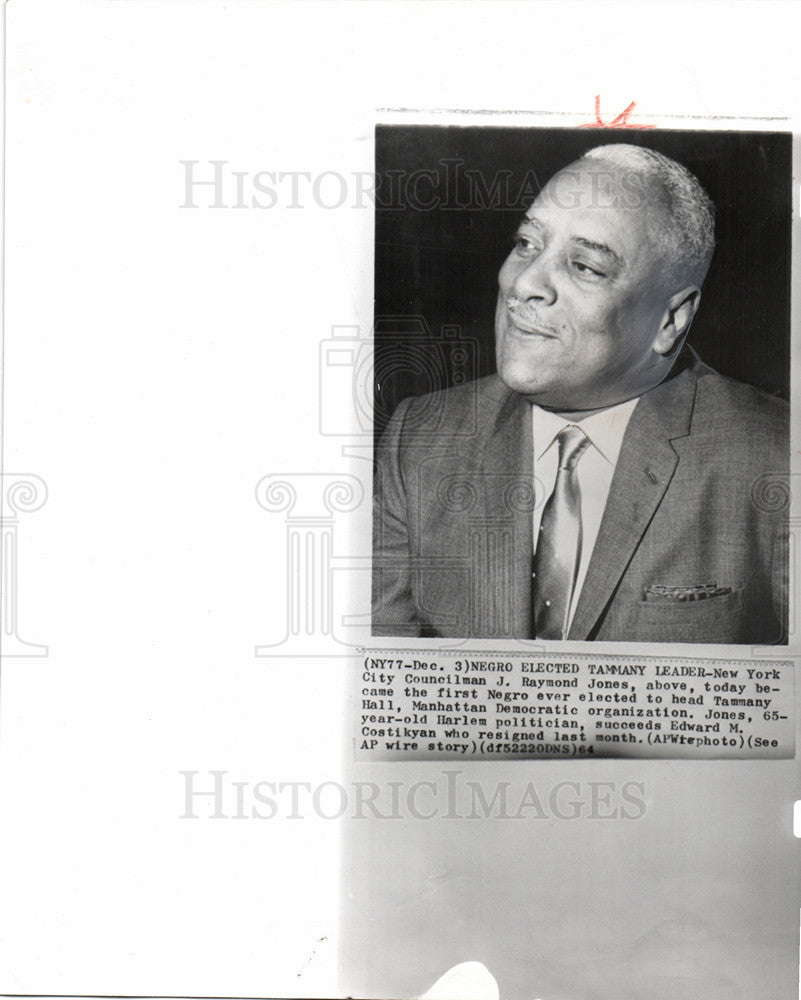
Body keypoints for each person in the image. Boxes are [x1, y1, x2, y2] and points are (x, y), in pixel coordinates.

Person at [372, 143, 788, 643]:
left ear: (670, 320)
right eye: (527, 242)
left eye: (585, 266)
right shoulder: (419, 438)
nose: (523, 282)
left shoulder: (775, 455)